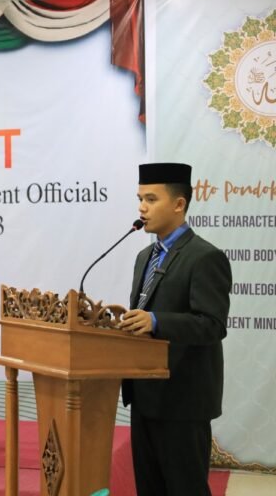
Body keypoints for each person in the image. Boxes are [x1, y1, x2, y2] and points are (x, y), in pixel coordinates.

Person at [117, 163, 232, 496]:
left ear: (179, 204)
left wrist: (156, 321)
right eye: (140, 199)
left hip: (183, 401)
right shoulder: (144, 256)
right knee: (149, 489)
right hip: (144, 396)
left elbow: (212, 324)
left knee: (185, 489)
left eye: (151, 199)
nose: (142, 207)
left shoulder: (204, 257)